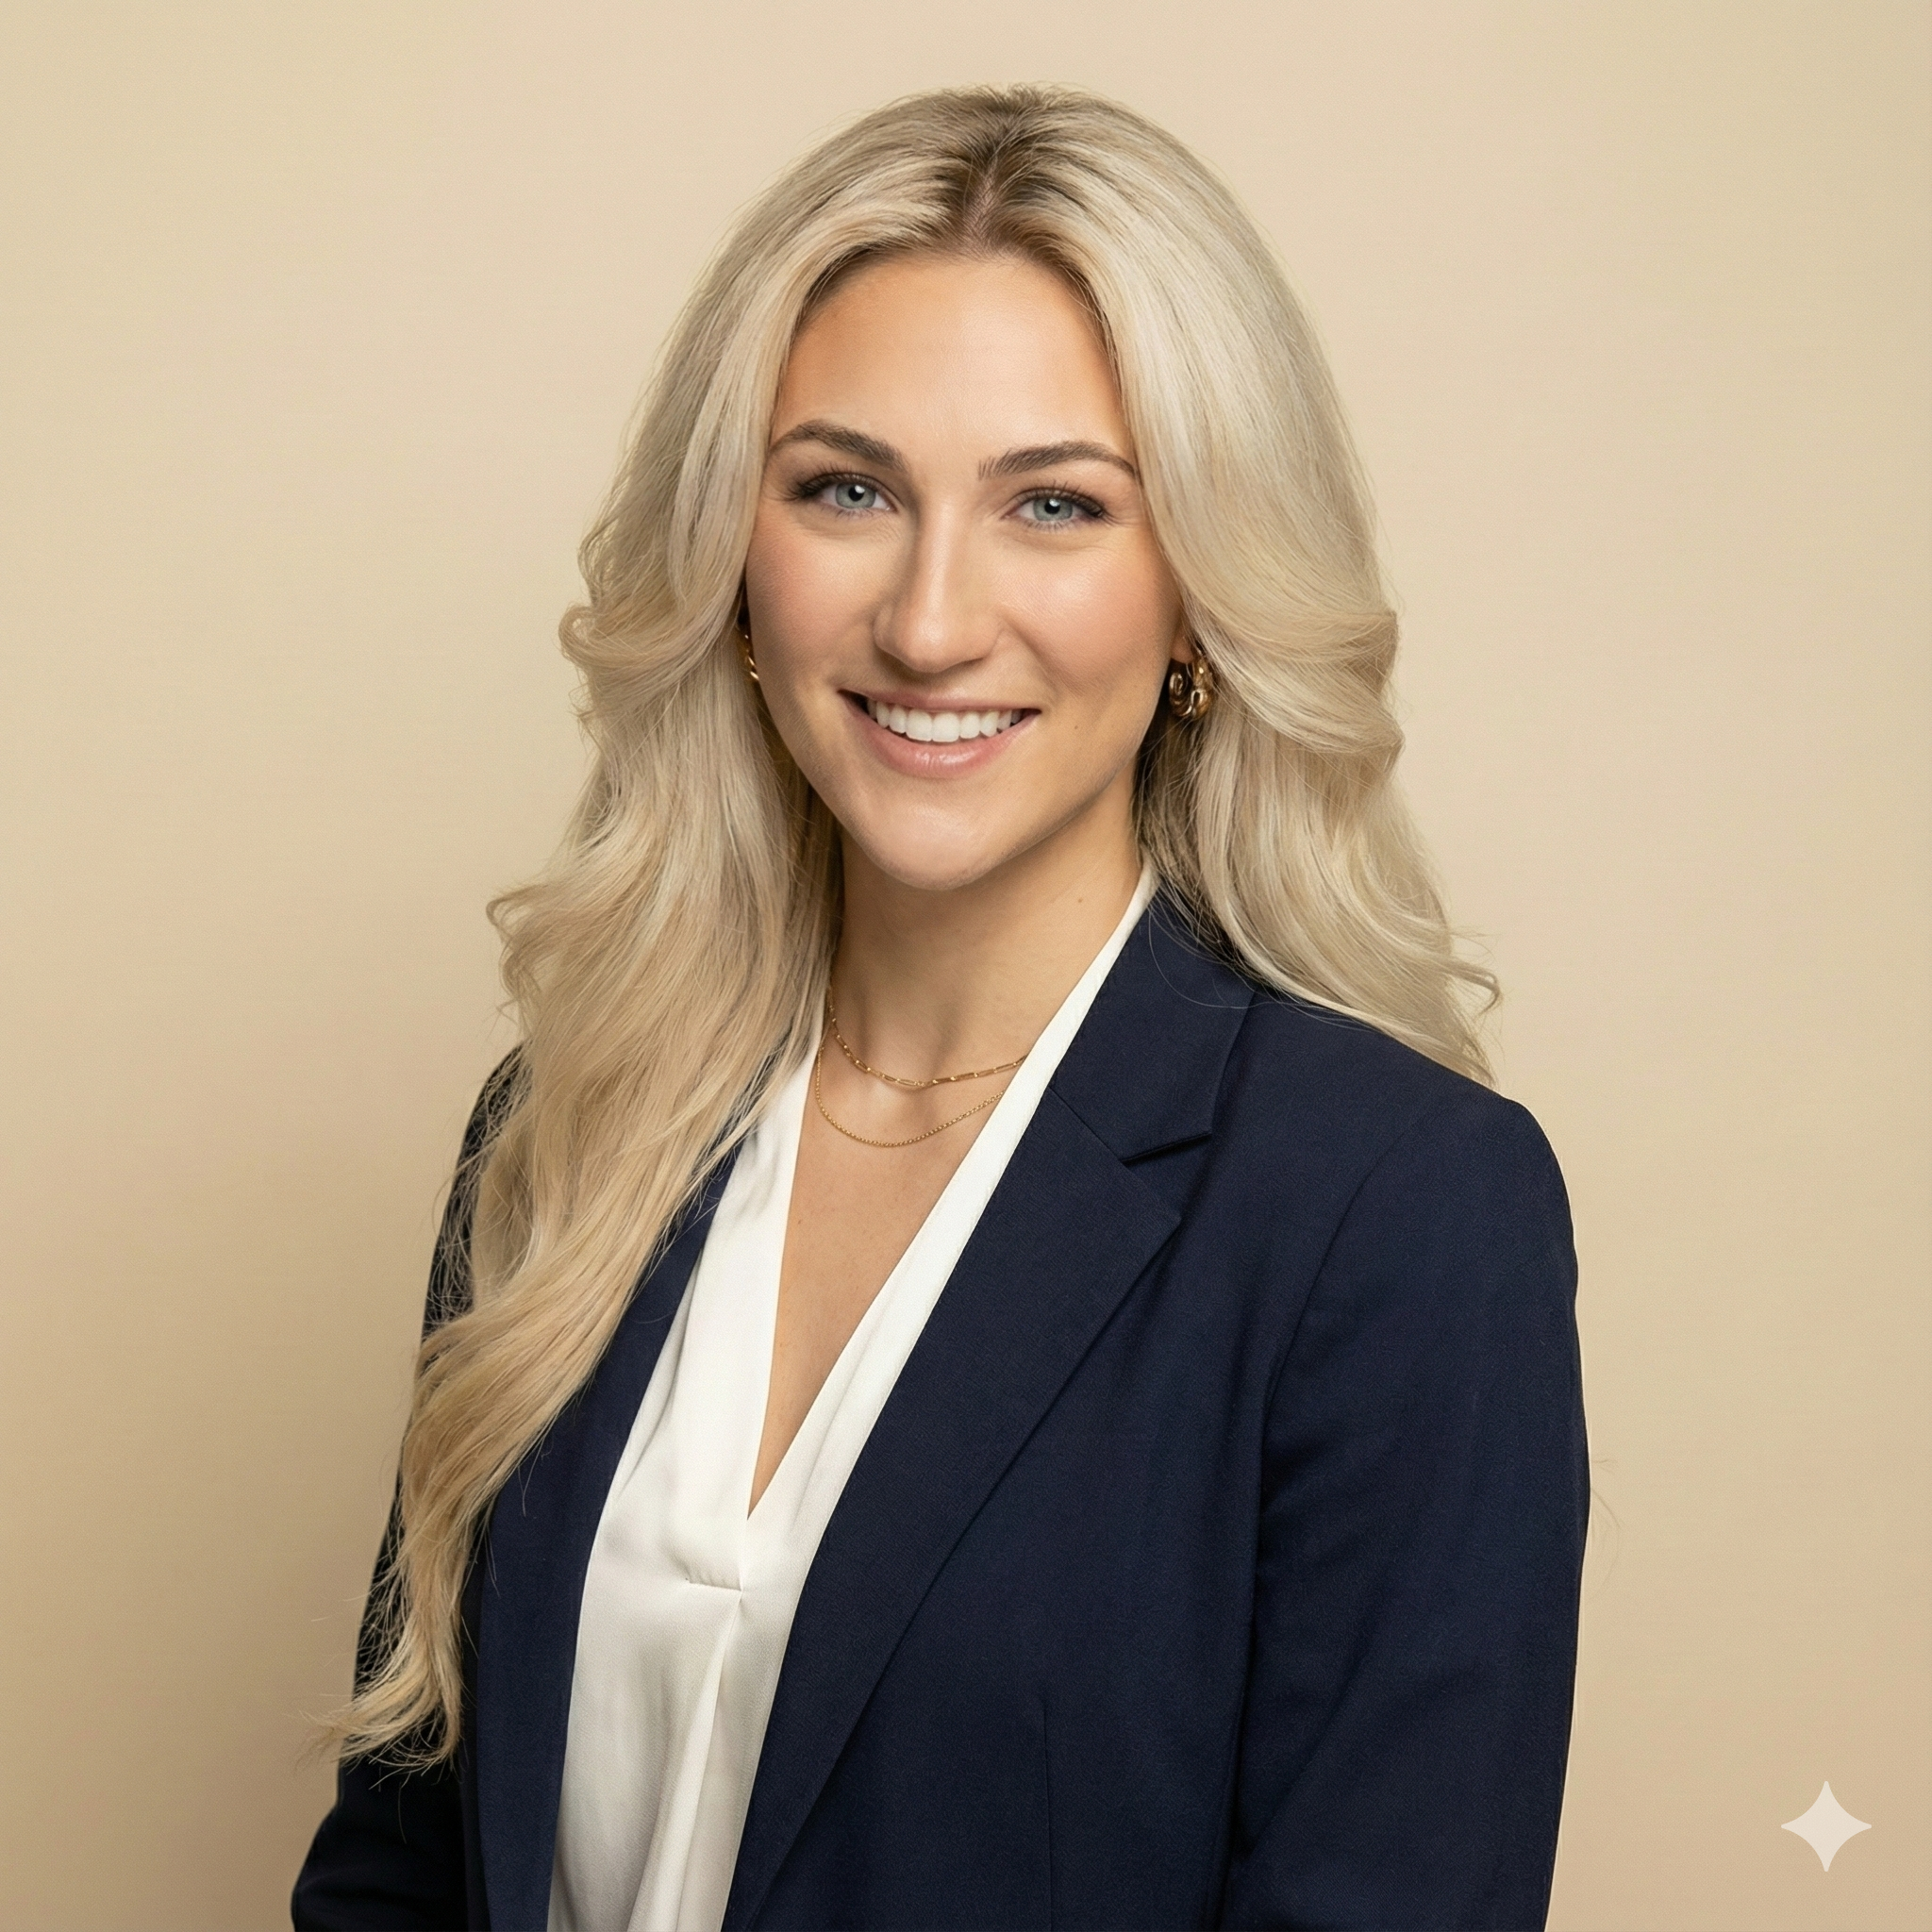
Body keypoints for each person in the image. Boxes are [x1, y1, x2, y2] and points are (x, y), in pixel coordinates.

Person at [292, 83, 1588, 1932]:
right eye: (847, 489)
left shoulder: (1396, 1213)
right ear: (735, 566)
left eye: (1054, 504)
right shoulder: (567, 1129)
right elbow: (400, 1862)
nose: (926, 619)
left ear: (1198, 597)